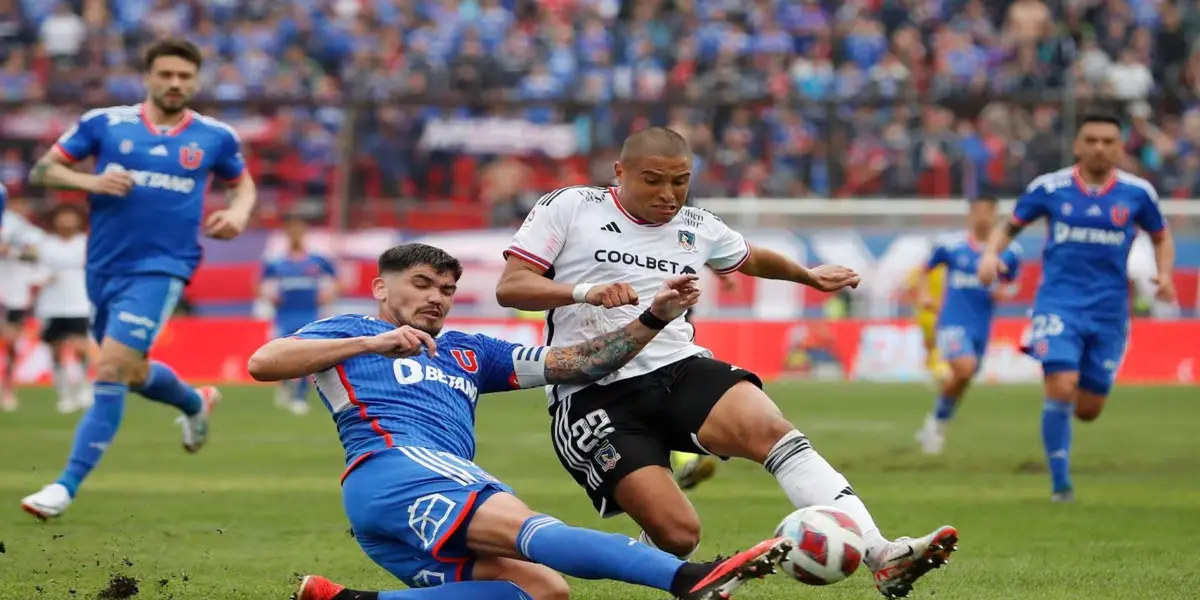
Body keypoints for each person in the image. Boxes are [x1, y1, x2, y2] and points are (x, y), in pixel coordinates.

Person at [495, 127, 957, 599]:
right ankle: (651, 554)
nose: (668, 194)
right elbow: (511, 286)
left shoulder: (698, 224)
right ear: (619, 172)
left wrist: (810, 278)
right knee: (678, 536)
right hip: (592, 389)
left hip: (677, 367)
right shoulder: (571, 206)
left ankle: (882, 555)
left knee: (773, 431)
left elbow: (749, 257)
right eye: (653, 180)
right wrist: (584, 291)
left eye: (680, 181)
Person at [247, 243, 791, 600]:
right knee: (534, 530)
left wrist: (653, 318)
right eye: (421, 284)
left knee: (542, 590)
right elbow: (263, 362)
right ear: (381, 287)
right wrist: (373, 342)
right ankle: (691, 579)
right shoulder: (344, 330)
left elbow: (582, 363)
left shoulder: (467, 350)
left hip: (407, 497)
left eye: (446, 290)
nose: (436, 298)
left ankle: (347, 599)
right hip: (396, 467)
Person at [20, 38, 257, 520]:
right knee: (128, 371)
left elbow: (242, 182)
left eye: (184, 77)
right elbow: (44, 171)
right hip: (103, 266)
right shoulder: (104, 123)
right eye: (166, 74)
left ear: (195, 81)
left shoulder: (215, 136)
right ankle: (194, 401)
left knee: (108, 368)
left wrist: (240, 213)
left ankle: (64, 487)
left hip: (163, 266)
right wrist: (92, 182)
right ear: (148, 77)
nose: (175, 84)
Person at [978, 110, 1175, 502]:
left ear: (1120, 147)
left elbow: (1161, 236)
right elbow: (1010, 226)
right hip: (1058, 305)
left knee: (1088, 407)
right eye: (1091, 140)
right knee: (1061, 384)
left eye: (1107, 141)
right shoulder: (1050, 189)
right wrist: (989, 255)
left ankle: (1066, 434)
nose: (1099, 148)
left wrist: (1164, 274)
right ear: (1077, 145)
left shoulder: (1138, 194)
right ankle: (1060, 484)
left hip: (1110, 313)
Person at [913, 198, 1022, 454]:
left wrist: (1004, 290)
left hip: (981, 325)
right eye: (978, 212)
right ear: (969, 215)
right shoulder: (951, 245)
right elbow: (924, 270)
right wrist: (924, 295)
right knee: (964, 368)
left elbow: (1012, 281)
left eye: (988, 211)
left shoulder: (1009, 251)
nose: (982, 217)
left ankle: (936, 421)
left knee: (964, 378)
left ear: (996, 215)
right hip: (952, 320)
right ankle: (936, 423)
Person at [259, 213, 338, 415]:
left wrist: (328, 294)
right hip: (285, 315)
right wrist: (270, 296)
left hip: (309, 313)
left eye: (299, 230)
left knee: (306, 356)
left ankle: (299, 397)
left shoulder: (316, 260)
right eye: (291, 230)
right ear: (286, 234)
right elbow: (260, 284)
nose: (295, 234)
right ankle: (286, 385)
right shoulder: (276, 262)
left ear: (304, 233)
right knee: (281, 355)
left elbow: (337, 279)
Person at [671, 266, 737, 492]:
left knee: (673, 400)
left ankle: (688, 462)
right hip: (664, 320)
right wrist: (723, 272)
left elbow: (702, 233)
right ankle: (690, 459)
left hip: (673, 321)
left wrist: (722, 272)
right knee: (673, 399)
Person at [34, 203, 95, 414]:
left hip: (79, 301)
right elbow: (35, 270)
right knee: (56, 350)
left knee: (80, 347)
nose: (66, 221)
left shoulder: (85, 243)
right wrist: (41, 278)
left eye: (70, 217)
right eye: (62, 217)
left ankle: (84, 386)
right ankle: (64, 393)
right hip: (51, 303)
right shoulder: (45, 243)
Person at [0, 193, 42, 411]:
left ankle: (7, 388)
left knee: (11, 342)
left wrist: (14, 251)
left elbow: (34, 255)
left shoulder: (28, 230)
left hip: (16, 291)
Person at [905, 259, 951, 384]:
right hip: (929, 311)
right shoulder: (929, 270)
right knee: (931, 342)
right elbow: (910, 288)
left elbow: (910, 287)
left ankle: (937, 368)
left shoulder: (941, 269)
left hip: (935, 311)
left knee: (935, 341)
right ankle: (934, 369)